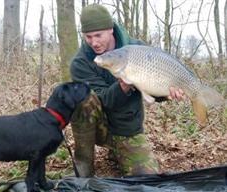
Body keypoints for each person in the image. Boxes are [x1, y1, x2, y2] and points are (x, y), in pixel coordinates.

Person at [70, 4, 185, 177]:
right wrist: (123, 86)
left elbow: (152, 88)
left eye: (98, 35)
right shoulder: (80, 63)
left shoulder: (137, 49)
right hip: (97, 126)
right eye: (88, 37)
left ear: (110, 29)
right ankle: (84, 166)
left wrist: (167, 94)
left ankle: (118, 151)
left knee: (147, 178)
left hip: (127, 129)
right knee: (81, 97)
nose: (94, 42)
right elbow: (102, 100)